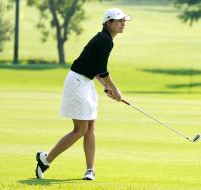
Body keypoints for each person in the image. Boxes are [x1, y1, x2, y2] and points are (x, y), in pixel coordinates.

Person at [35, 8, 131, 180]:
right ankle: (46, 159)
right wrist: (115, 90)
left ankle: (90, 170)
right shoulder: (105, 40)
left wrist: (105, 86)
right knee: (80, 130)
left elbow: (95, 69)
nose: (123, 24)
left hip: (85, 82)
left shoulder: (105, 38)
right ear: (108, 23)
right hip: (77, 83)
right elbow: (102, 70)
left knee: (90, 128)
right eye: (119, 21)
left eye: (124, 21)